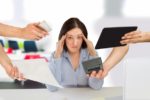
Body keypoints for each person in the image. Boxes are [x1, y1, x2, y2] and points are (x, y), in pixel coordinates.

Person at [46, 17, 128, 92]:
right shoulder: (55, 56)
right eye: (70, 37)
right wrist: (57, 56)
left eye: (79, 37)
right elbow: (52, 88)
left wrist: (93, 54)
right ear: (63, 38)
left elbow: (96, 86)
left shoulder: (90, 54)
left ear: (84, 38)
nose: (75, 43)